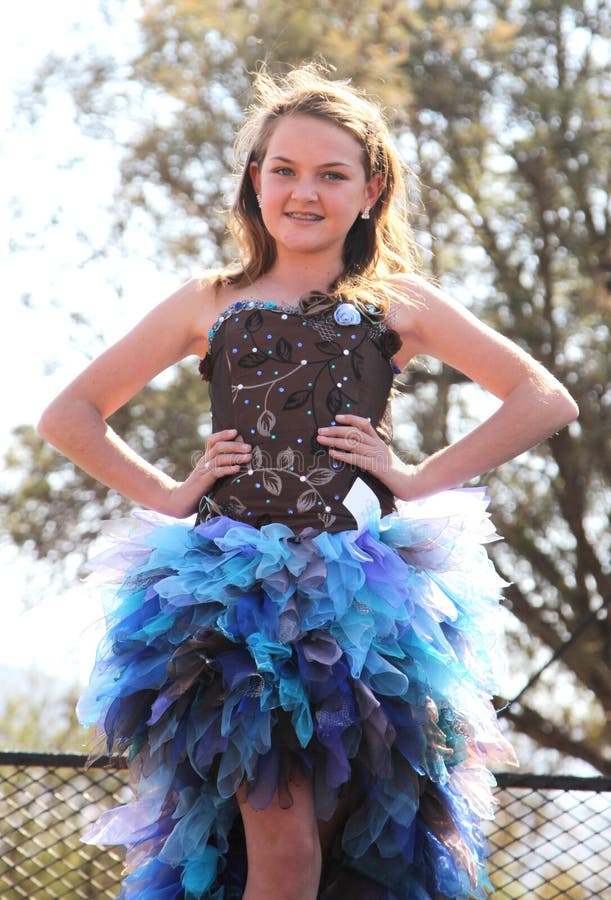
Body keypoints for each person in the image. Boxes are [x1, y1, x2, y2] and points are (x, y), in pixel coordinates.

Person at [38, 64, 578, 900]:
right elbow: (70, 413)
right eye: (283, 169)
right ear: (255, 180)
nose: (303, 192)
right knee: (281, 852)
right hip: (228, 607)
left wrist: (415, 476)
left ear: (370, 190)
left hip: (360, 609)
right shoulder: (208, 301)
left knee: (344, 856)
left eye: (331, 174)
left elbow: (543, 397)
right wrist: (173, 495)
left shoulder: (394, 301)